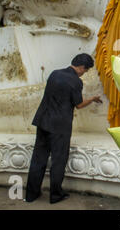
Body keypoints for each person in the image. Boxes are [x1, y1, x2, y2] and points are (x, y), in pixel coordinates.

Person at [25, 53, 102, 204]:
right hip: (60, 127)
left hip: (43, 121)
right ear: (81, 67)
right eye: (85, 71)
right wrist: (92, 99)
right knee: (58, 160)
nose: (84, 73)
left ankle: (31, 195)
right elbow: (78, 105)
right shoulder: (76, 81)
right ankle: (55, 195)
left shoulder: (54, 74)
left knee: (38, 159)